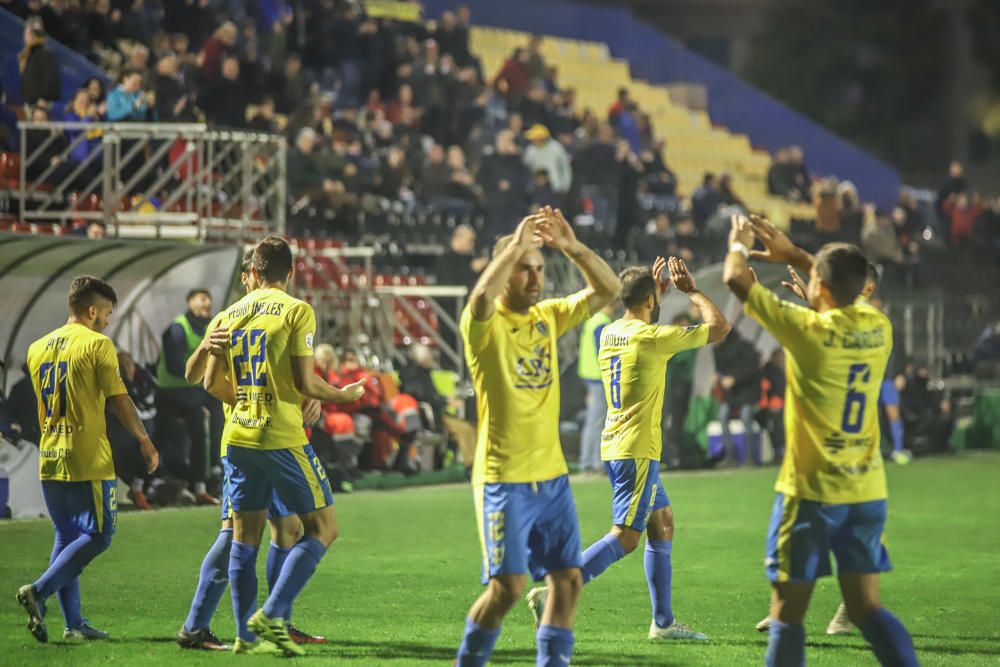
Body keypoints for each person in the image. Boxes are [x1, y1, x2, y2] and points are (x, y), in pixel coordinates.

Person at [723, 214, 918, 667]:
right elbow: (844, 285)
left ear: (821, 290)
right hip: (868, 491)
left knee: (787, 615)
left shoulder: (809, 333)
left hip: (812, 493)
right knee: (868, 606)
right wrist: (796, 256)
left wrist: (738, 241)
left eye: (814, 279)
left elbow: (735, 277)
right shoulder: (878, 326)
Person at [527, 257, 729, 642]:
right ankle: (556, 590)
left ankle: (663, 622)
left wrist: (656, 297)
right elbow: (720, 327)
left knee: (662, 521)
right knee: (627, 536)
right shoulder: (652, 338)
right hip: (637, 449)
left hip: (619, 443)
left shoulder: (612, 332)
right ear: (651, 300)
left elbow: (643, 326)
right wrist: (692, 291)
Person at [454, 206, 620, 667]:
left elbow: (609, 289)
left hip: (552, 479)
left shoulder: (547, 317)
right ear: (504, 272)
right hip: (503, 478)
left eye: (539, 269)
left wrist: (571, 246)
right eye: (524, 269)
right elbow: (480, 301)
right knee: (507, 589)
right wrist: (514, 246)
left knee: (568, 579)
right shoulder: (483, 327)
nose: (534, 278)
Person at [202, 236, 365, 656]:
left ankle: (244, 635)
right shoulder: (297, 311)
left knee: (245, 537)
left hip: (238, 436)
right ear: (290, 273)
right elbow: (307, 383)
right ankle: (273, 615)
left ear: (254, 272)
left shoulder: (228, 314)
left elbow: (209, 383)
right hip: (280, 437)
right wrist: (345, 395)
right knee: (324, 528)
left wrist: (246, 401)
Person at [177, 250, 325, 651]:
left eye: (251, 276)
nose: (249, 283)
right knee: (234, 537)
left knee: (287, 530)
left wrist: (308, 398)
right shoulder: (229, 319)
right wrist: (207, 345)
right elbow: (194, 376)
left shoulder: (262, 317)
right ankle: (201, 626)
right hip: (245, 441)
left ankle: (278, 621)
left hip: (266, 438)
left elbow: (285, 372)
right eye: (245, 278)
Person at [16, 276, 159, 643]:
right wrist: (143, 438)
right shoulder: (98, 345)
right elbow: (119, 398)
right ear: (92, 310)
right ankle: (39, 591)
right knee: (99, 535)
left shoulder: (37, 348)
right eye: (107, 313)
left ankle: (74, 624)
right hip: (87, 457)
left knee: (66, 536)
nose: (108, 321)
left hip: (50, 455)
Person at [155, 288, 221, 505]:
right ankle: (146, 483)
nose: (207, 303)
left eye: (209, 300)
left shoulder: (209, 327)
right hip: (170, 391)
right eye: (202, 299)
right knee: (160, 437)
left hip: (193, 389)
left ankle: (206, 481)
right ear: (189, 302)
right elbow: (175, 366)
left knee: (215, 416)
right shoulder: (177, 328)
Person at [713, 328, 763, 466]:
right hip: (731, 393)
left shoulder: (744, 347)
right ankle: (730, 457)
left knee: (746, 419)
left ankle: (750, 458)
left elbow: (752, 368)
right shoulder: (718, 350)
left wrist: (735, 378)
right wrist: (719, 377)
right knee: (722, 417)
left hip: (748, 391)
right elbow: (720, 369)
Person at [576, 304, 615, 473]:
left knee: (593, 420)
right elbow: (604, 352)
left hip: (589, 376)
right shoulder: (602, 322)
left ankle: (588, 461)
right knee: (597, 421)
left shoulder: (592, 319)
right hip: (599, 377)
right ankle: (593, 462)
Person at [19, 18, 61, 111]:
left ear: (32, 36)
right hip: (29, 102)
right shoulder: (27, 55)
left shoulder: (45, 54)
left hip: (40, 104)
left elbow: (50, 78)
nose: (24, 37)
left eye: (26, 34)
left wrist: (43, 98)